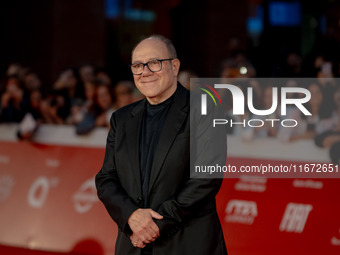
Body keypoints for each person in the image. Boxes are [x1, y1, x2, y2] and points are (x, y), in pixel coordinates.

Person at [95, 35, 228, 255]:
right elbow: (106, 178)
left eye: (154, 63)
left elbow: (206, 178)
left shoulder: (204, 110)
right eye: (137, 65)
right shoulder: (122, 118)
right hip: (134, 244)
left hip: (187, 243)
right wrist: (131, 217)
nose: (144, 72)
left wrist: (154, 225)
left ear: (174, 66)